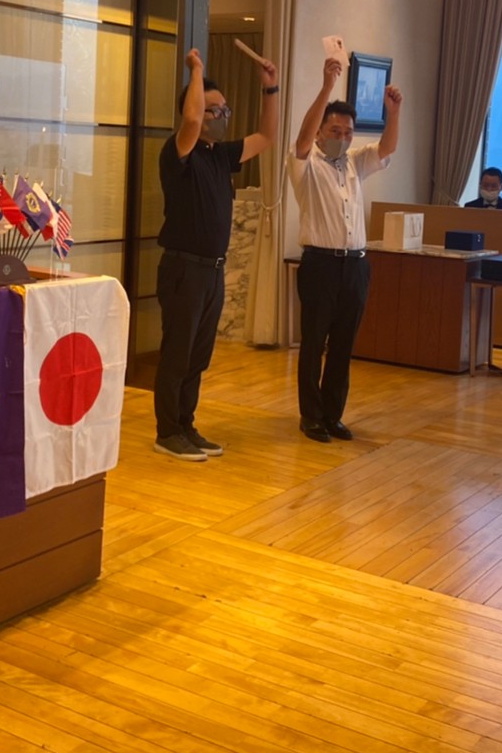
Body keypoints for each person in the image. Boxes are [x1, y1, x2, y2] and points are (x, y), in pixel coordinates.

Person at [154, 46, 279, 461]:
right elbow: (191, 120)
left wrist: (271, 90)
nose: (222, 115)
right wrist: (197, 69)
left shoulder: (220, 156)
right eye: (215, 110)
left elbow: (266, 137)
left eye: (225, 109)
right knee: (177, 353)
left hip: (212, 272)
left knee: (198, 355)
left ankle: (186, 424)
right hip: (183, 268)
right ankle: (167, 432)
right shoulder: (179, 151)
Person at [289, 56, 401, 443]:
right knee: (313, 343)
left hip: (355, 266)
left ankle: (333, 414)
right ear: (321, 132)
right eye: (334, 130)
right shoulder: (306, 163)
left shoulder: (354, 162)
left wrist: (393, 112)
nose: (342, 137)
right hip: (320, 264)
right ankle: (311, 416)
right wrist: (326, 87)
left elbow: (387, 147)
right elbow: (302, 140)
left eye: (348, 132)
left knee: (343, 345)